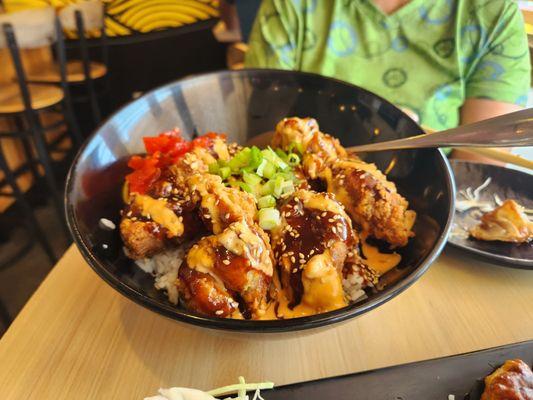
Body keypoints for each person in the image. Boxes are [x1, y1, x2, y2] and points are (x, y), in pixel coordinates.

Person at [245, 0, 531, 159]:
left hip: (438, 212)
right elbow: (257, 135)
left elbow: (480, 163)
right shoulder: (291, 5)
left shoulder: (490, 13)